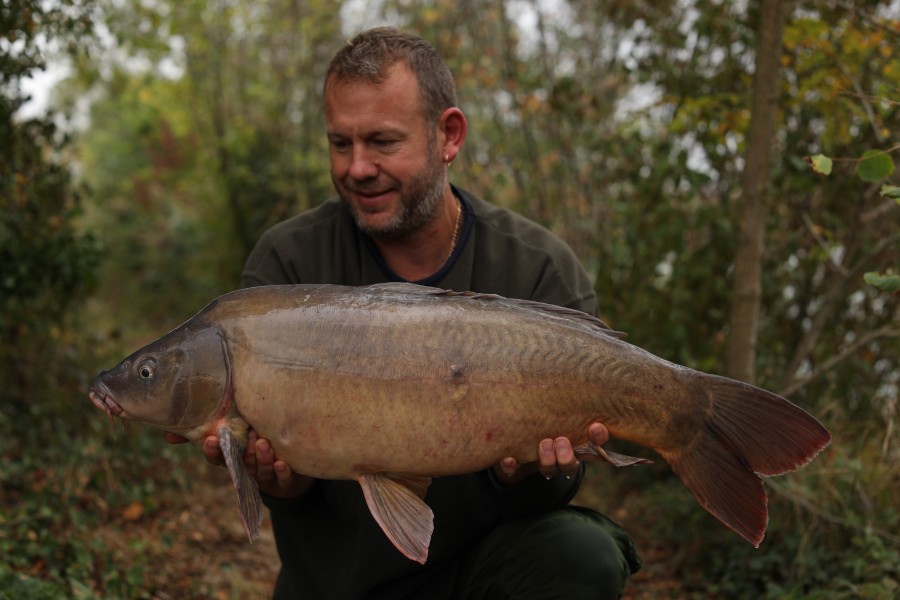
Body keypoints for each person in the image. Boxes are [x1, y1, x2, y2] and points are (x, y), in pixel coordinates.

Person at [167, 27, 641, 599]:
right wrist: (278, 481)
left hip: (478, 577)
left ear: (449, 135)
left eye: (383, 142)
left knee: (582, 555)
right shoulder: (287, 264)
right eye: (340, 144)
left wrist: (532, 472)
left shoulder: (537, 270)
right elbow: (283, 486)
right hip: (337, 584)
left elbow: (556, 488)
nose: (357, 167)